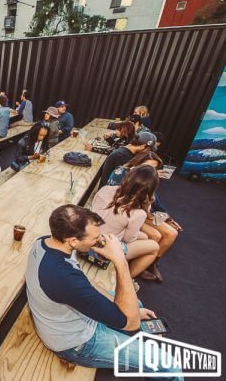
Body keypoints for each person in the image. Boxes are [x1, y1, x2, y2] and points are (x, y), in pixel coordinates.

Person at [26, 205, 180, 380]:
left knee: (136, 306)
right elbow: (131, 323)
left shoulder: (45, 242)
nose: (99, 240)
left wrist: (129, 310)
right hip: (75, 343)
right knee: (169, 365)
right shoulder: (64, 278)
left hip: (70, 319)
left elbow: (86, 283)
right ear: (73, 241)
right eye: (94, 238)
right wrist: (119, 260)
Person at [106, 151, 179, 283]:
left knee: (172, 233)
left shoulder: (149, 178)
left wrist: (167, 217)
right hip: (130, 212)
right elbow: (121, 202)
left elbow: (155, 201)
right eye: (148, 166)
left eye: (154, 168)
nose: (150, 170)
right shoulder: (122, 173)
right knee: (155, 235)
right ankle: (133, 269)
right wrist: (149, 214)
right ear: (137, 162)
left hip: (143, 212)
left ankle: (151, 264)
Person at [92, 166, 161, 283]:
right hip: (104, 246)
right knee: (155, 247)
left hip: (90, 233)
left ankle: (126, 265)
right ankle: (126, 280)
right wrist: (146, 208)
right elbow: (128, 239)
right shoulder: (138, 213)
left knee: (145, 236)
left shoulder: (106, 189)